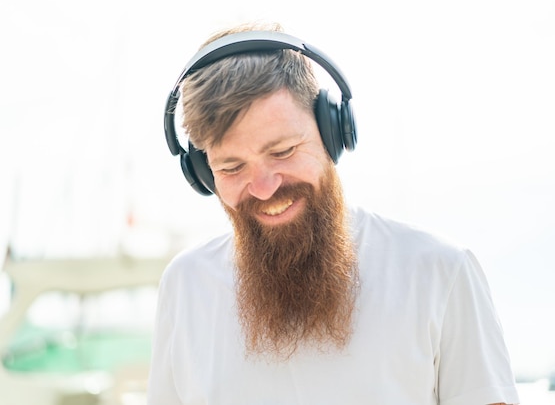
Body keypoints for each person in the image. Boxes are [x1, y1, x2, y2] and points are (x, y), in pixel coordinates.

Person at [148, 21, 520, 405]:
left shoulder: (441, 271)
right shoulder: (184, 284)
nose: (264, 187)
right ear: (203, 173)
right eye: (231, 168)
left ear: (333, 132)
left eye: (283, 151)